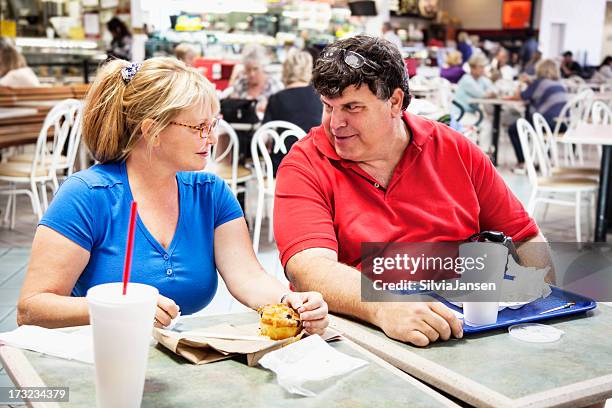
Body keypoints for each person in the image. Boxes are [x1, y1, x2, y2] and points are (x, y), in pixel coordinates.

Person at [273, 35, 550, 347]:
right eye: (328, 106)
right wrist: (384, 307)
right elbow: (308, 269)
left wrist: (544, 304)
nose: (336, 122)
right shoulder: (305, 164)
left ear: (394, 102)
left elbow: (526, 238)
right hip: (358, 333)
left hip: (463, 328)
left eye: (352, 107)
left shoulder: (454, 149)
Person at [16, 57, 328, 333]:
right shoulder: (87, 196)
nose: (211, 137)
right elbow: (32, 308)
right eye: (199, 127)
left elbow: (248, 277)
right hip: (97, 355)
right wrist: (121, 308)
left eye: (213, 125)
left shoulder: (211, 194)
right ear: (152, 130)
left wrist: (289, 301)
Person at [263, 49, 322, 174]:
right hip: (314, 165)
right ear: (308, 70)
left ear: (286, 70)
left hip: (282, 165)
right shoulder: (320, 97)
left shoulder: (276, 99)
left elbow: (264, 136)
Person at [507, 59, 569, 172]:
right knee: (539, 125)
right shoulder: (561, 84)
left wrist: (521, 83)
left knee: (513, 129)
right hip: (563, 125)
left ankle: (522, 162)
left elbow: (519, 96)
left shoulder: (539, 83)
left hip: (547, 124)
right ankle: (545, 159)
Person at [230, 44, 284, 114]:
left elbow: (282, 111)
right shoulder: (240, 83)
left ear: (263, 67)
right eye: (248, 69)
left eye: (255, 69)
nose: (252, 74)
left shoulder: (275, 85)